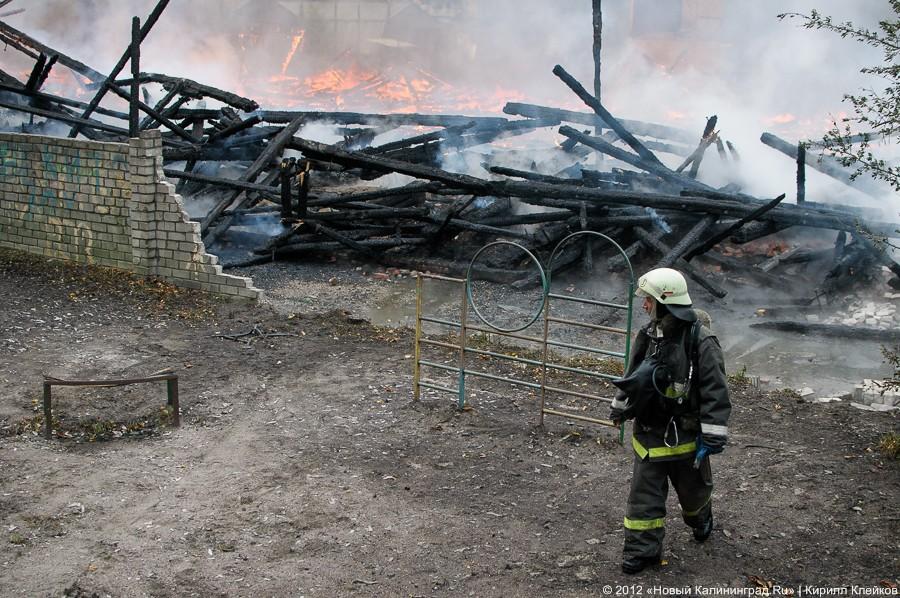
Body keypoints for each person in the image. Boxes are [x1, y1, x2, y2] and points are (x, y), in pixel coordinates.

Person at [609, 267, 731, 575]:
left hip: (686, 437)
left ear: (665, 301)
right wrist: (621, 407)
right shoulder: (648, 334)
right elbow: (632, 375)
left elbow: (716, 390)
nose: (645, 305)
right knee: (644, 497)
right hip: (650, 434)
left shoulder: (701, 340)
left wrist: (713, 436)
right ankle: (642, 551)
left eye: (649, 300)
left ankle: (701, 517)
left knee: (693, 494)